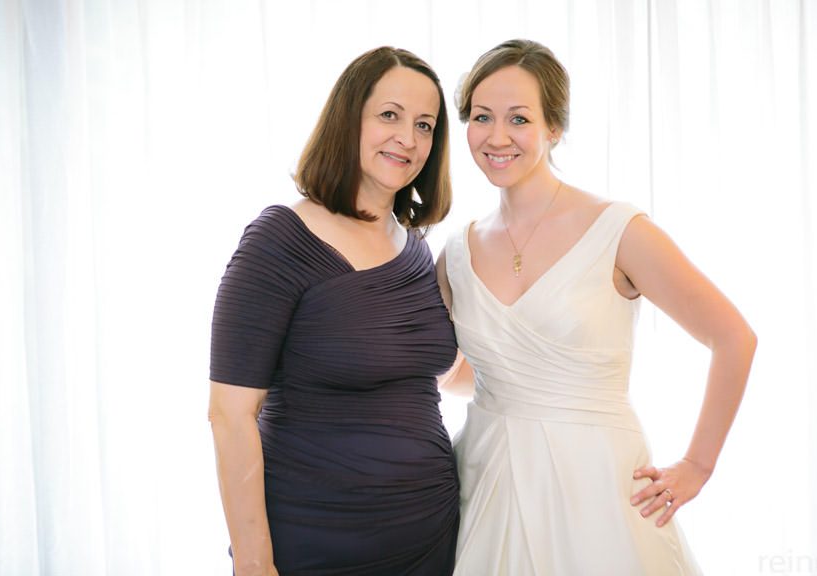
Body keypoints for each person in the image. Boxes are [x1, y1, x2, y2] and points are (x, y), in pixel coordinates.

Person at [436, 39, 757, 575]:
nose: (497, 137)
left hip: (597, 485)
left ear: (554, 128)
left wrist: (697, 466)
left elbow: (734, 338)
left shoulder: (619, 230)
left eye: (519, 118)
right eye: (482, 116)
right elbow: (465, 372)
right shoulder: (456, 252)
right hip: (485, 476)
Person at [208, 46, 459, 576]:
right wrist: (253, 563)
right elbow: (230, 415)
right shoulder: (279, 240)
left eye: (424, 125)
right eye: (389, 115)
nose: (408, 138)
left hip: (432, 535)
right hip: (316, 542)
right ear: (349, 119)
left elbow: (441, 374)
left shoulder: (417, 249)